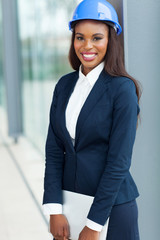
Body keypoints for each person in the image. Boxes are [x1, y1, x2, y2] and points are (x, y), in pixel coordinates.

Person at [42, 0, 141, 239]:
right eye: (79, 37)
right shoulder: (64, 86)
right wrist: (54, 209)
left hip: (112, 210)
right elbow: (54, 151)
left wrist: (94, 224)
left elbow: (118, 163)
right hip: (70, 204)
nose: (87, 46)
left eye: (97, 37)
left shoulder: (122, 89)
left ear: (110, 40)